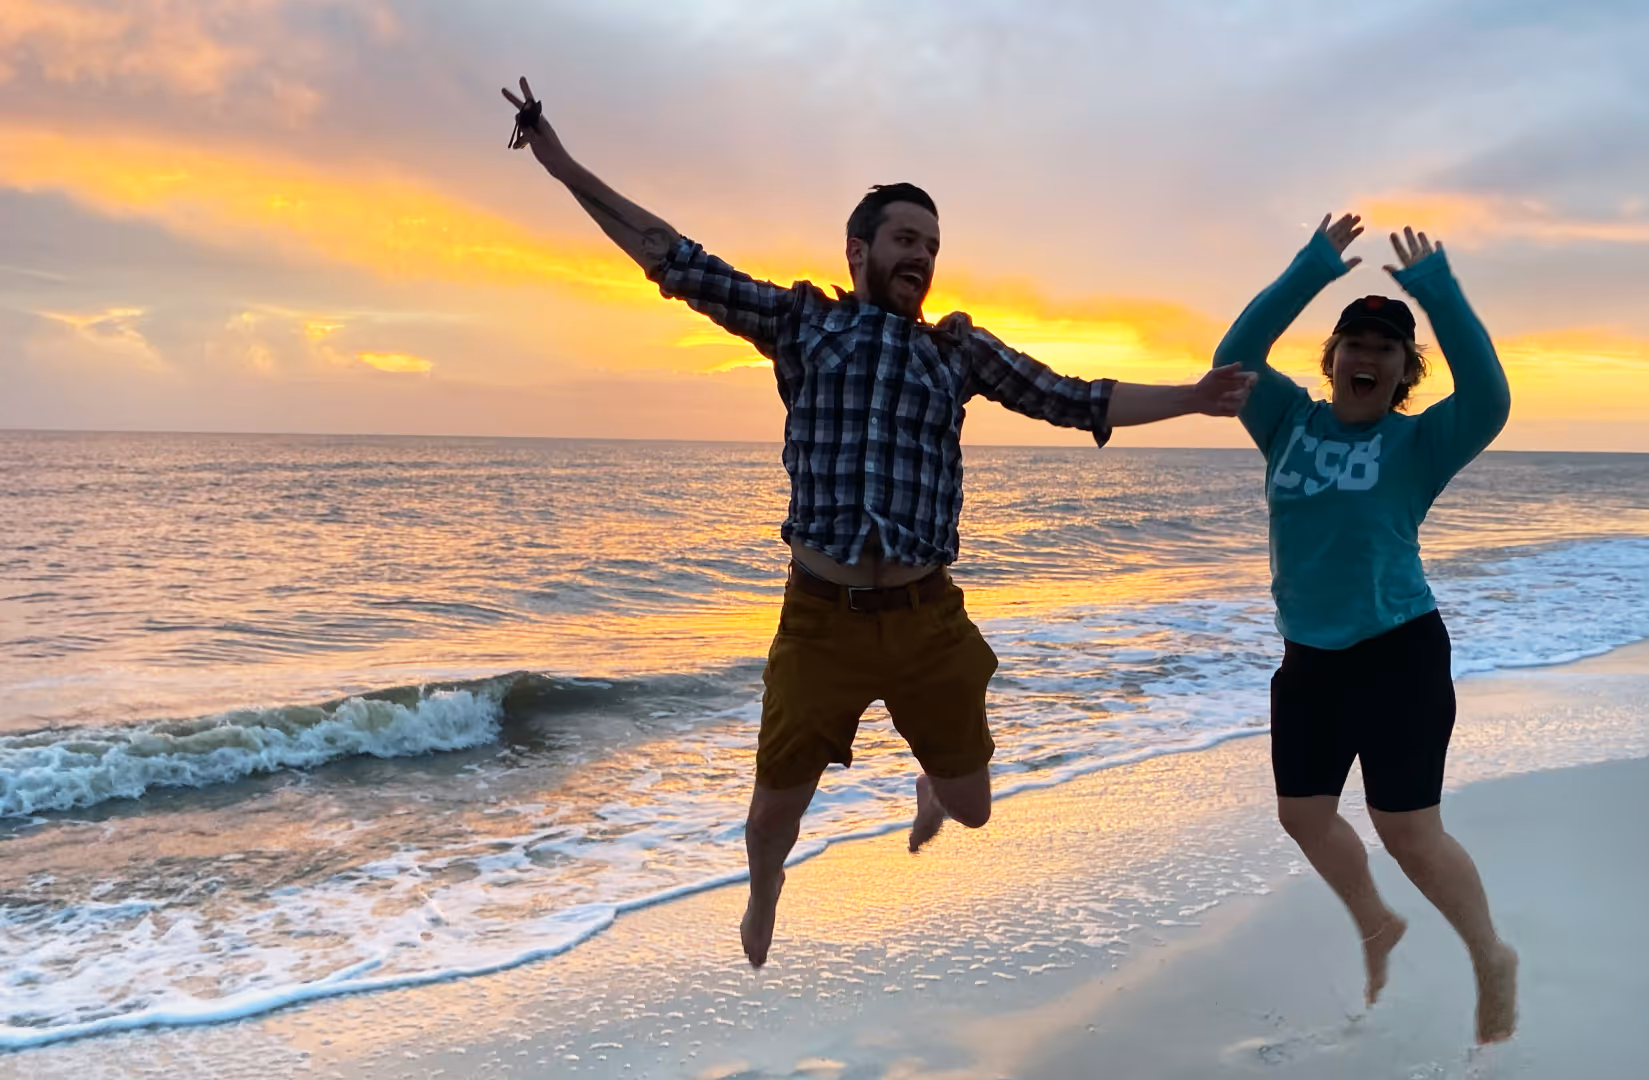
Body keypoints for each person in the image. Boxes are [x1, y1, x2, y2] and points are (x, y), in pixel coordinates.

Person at [500, 79, 1257, 968]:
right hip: (820, 620)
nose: (921, 257)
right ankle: (766, 891)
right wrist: (558, 164)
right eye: (906, 239)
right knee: (767, 819)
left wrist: (1194, 398)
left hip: (926, 618)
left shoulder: (956, 351)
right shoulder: (801, 325)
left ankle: (932, 792)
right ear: (858, 249)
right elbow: (670, 255)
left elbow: (1073, 398)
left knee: (972, 805)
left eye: (932, 246)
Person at [1213, 212, 1518, 1043]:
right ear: (1334, 358)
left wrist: (1438, 293)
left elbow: (1490, 396)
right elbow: (1231, 359)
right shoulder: (1287, 422)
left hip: (1398, 653)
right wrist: (1311, 271)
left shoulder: (1419, 442)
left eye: (1386, 350)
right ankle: (1377, 924)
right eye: (1354, 343)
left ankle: (1490, 956)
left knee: (1408, 830)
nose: (1366, 356)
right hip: (1309, 660)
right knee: (1303, 814)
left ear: (1401, 372)